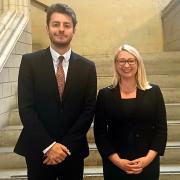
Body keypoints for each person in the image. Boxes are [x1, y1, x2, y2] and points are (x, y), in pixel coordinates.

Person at [14, 3, 97, 180]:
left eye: (67, 25)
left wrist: (64, 147)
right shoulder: (29, 62)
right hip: (39, 151)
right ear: (47, 28)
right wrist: (49, 146)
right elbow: (26, 108)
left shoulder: (88, 67)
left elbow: (88, 110)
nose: (61, 29)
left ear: (74, 30)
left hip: (72, 151)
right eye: (56, 24)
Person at [94, 44, 167, 180]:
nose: (126, 65)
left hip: (147, 163)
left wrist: (147, 160)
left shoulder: (154, 92)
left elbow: (161, 130)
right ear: (116, 64)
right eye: (121, 61)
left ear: (138, 63)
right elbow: (100, 133)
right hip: (115, 164)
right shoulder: (105, 94)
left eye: (130, 60)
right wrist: (118, 162)